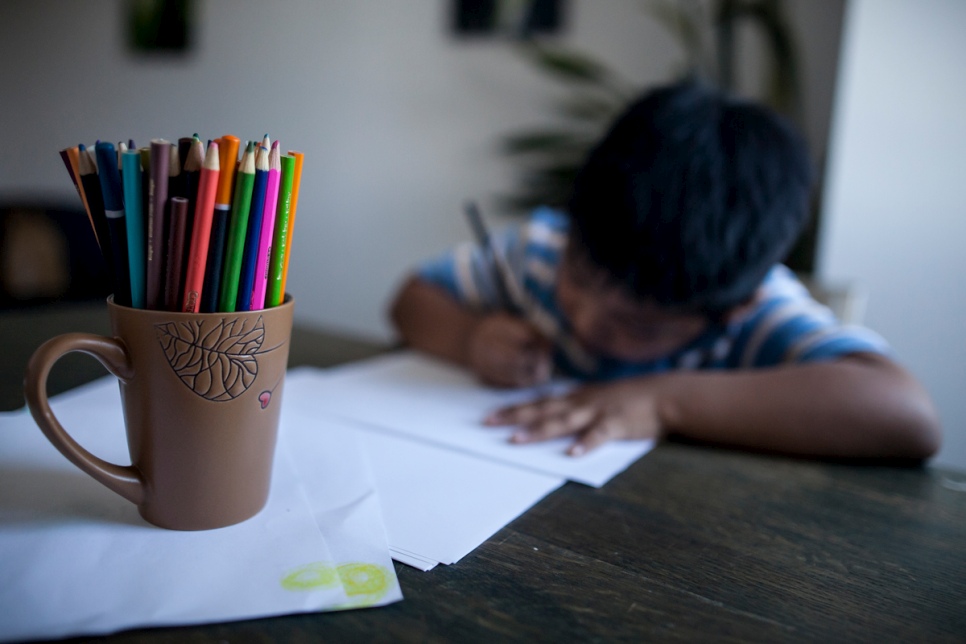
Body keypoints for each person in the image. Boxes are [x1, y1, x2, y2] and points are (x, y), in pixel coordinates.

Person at [388, 80, 941, 461]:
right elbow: (411, 298)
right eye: (577, 279)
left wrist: (663, 400)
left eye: (638, 325)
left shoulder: (758, 312)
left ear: (733, 307)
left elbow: (907, 417)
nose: (585, 322)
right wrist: (471, 339)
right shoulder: (542, 248)